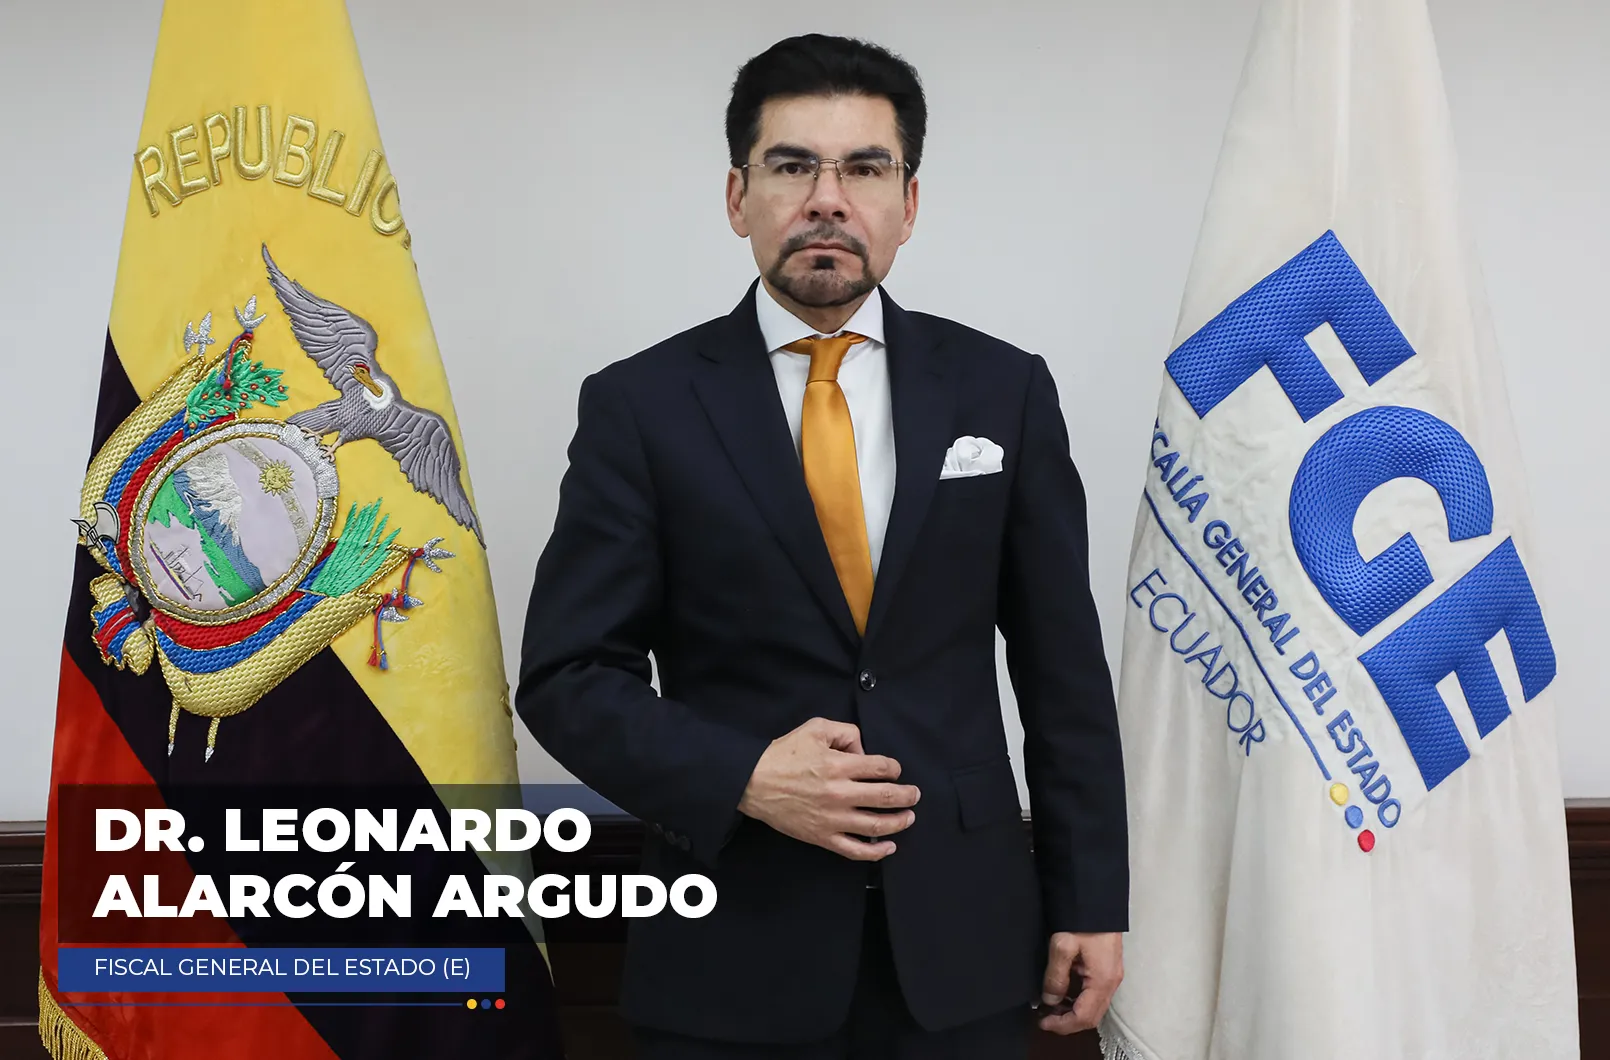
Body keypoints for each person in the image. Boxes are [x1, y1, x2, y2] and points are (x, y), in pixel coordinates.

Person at [517, 33, 1127, 1059]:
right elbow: (566, 677)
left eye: (865, 169)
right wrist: (745, 774)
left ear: (908, 203)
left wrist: (1091, 896)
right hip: (728, 957)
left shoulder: (1003, 390)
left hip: (965, 949)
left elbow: (1062, 669)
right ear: (738, 196)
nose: (827, 200)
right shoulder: (640, 406)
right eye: (793, 165)